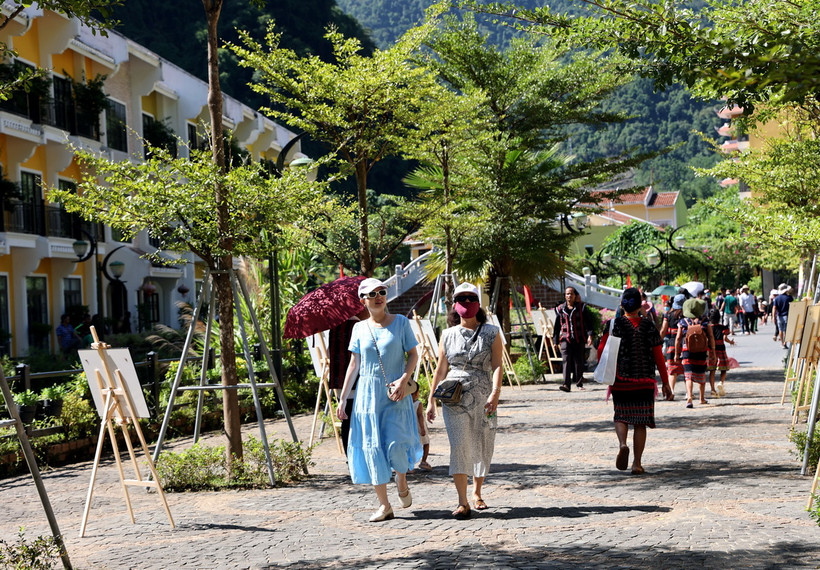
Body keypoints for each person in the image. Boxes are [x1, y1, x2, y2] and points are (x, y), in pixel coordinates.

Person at [336, 278, 421, 523]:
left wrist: (405, 379)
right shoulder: (359, 329)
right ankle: (384, 505)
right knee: (372, 448)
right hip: (367, 395)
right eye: (372, 294)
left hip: (396, 392)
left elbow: (413, 353)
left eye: (382, 292)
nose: (378, 296)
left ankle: (401, 478)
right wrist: (343, 399)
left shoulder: (401, 323)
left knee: (397, 442)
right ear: (363, 300)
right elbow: (354, 365)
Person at [427, 282, 503, 520]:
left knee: (482, 443)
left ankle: (477, 492)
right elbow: (440, 370)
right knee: (459, 445)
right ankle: (462, 502)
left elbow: (498, 364)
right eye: (462, 299)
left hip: (484, 395)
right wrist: (431, 400)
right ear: (454, 305)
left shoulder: (492, 332)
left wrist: (495, 393)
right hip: (454, 396)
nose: (467, 303)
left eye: (471, 299)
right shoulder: (447, 334)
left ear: (479, 303)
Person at [597, 288, 672, 475]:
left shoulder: (614, 325)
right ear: (641, 305)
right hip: (645, 380)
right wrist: (666, 383)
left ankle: (623, 444)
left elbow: (601, 351)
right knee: (640, 423)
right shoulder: (649, 327)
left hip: (621, 379)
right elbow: (658, 358)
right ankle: (637, 463)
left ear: (622, 304)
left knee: (621, 415)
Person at [328, 307, 370, 455]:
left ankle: (349, 455)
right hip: (357, 379)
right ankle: (361, 455)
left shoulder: (334, 328)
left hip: (339, 381)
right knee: (361, 420)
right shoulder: (360, 327)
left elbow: (329, 353)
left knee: (346, 420)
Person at [674, 298, 715, 408]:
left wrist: (676, 354)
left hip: (687, 351)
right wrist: (713, 353)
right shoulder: (705, 321)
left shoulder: (683, 322)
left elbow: (678, 338)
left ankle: (689, 397)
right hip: (701, 351)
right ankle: (701, 398)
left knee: (688, 376)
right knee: (701, 374)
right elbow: (711, 337)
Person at [552, 287, 595, 392]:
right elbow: (557, 326)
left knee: (579, 361)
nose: (569, 296)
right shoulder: (560, 309)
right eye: (567, 294)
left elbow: (588, 323)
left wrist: (590, 335)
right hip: (565, 339)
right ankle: (566, 385)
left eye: (571, 294)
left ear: (575, 296)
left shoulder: (582, 308)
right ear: (565, 296)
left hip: (579, 338)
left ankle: (579, 383)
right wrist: (555, 341)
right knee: (566, 361)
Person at [659, 294, 685, 397]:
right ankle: (689, 393)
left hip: (671, 343)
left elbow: (663, 330)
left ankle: (672, 391)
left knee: (672, 369)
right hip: (684, 344)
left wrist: (658, 341)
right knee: (686, 369)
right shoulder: (685, 315)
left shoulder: (667, 315)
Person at [707, 308, 735, 397]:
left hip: (711, 350)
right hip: (721, 349)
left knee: (712, 370)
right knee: (723, 369)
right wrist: (730, 342)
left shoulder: (708, 328)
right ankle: (720, 382)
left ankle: (712, 389)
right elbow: (724, 338)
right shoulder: (723, 327)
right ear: (719, 317)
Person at [412, 385, 431, 471]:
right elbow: (420, 416)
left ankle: (409, 465)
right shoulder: (418, 403)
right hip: (419, 427)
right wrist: (422, 428)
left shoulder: (405, 404)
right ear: (416, 393)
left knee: (410, 446)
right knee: (426, 443)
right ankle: (423, 461)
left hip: (410, 428)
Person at [772, 284, 794, 349]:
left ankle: (782, 342)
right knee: (786, 330)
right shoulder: (789, 298)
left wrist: (773, 317)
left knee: (780, 330)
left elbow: (774, 308)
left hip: (779, 316)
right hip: (787, 315)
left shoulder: (776, 298)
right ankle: (785, 342)